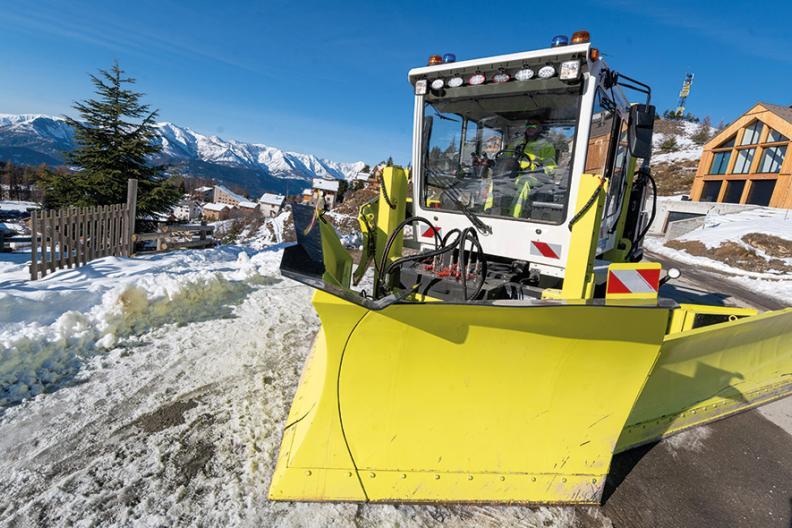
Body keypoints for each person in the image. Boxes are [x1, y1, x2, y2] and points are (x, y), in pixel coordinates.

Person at [507, 120, 558, 218]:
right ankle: (489, 213)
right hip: (513, 174)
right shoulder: (517, 142)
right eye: (529, 126)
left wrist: (538, 167)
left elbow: (550, 166)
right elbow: (506, 156)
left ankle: (514, 217)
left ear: (539, 129)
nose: (530, 129)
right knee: (495, 182)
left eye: (534, 127)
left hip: (535, 175)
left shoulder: (546, 145)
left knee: (524, 183)